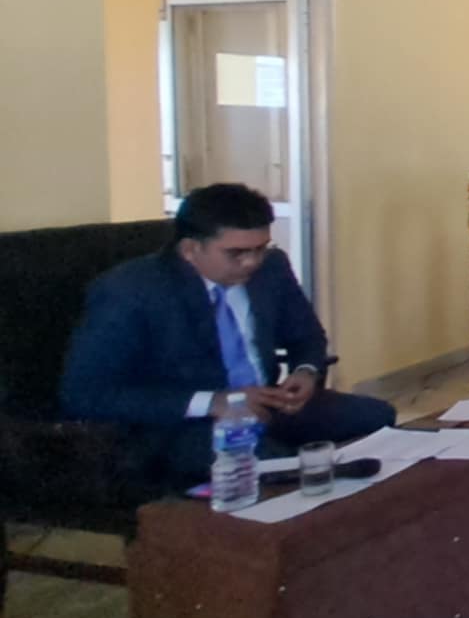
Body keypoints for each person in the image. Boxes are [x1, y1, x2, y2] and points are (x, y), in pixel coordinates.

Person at [61, 183, 396, 487]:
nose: (251, 262)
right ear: (190, 249)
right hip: (185, 425)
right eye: (236, 253)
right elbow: (85, 393)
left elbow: (307, 336)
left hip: (268, 405)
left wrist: (306, 372)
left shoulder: (272, 269)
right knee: (276, 463)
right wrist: (214, 402)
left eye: (260, 248)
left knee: (377, 417)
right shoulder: (130, 291)